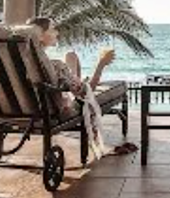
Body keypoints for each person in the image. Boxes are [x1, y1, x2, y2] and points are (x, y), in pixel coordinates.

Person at [25, 17, 134, 158]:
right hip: (56, 110)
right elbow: (86, 93)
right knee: (73, 64)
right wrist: (101, 64)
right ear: (40, 36)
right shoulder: (56, 66)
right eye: (53, 29)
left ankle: (75, 78)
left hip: (25, 109)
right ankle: (76, 78)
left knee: (71, 57)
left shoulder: (21, 64)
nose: (57, 33)